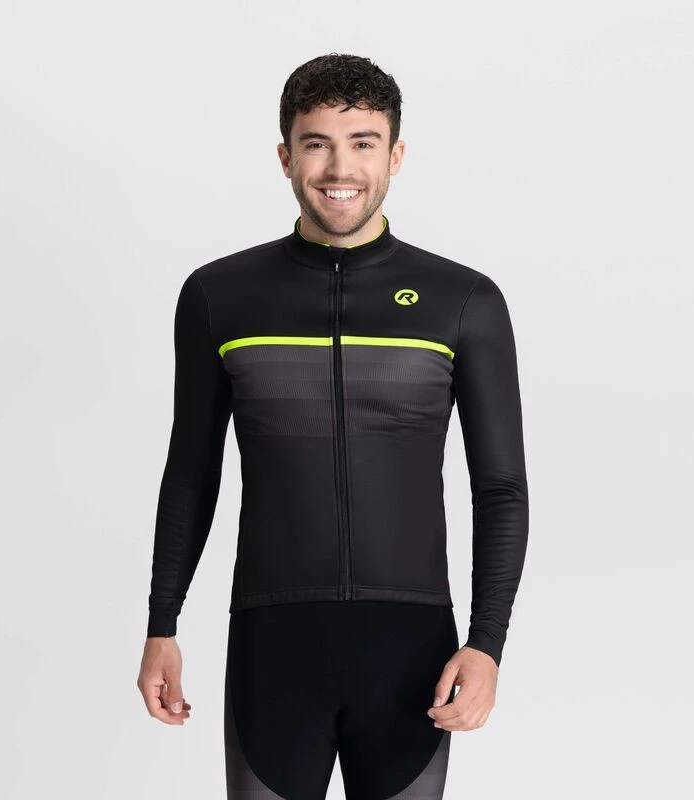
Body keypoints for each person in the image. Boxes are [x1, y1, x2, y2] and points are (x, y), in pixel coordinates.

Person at [137, 53, 529, 799]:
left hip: (412, 647)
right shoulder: (221, 295)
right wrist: (163, 623)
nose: (339, 168)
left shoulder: (463, 301)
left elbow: (501, 487)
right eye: (316, 143)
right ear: (285, 156)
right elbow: (191, 471)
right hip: (273, 643)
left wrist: (487, 642)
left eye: (363, 143)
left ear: (396, 155)